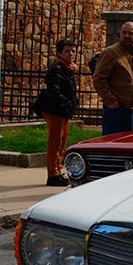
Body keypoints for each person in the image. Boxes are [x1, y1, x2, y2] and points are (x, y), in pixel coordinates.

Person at [93, 21, 133, 135]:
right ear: (119, 33)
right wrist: (109, 100)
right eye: (124, 33)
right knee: (112, 146)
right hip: (116, 109)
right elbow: (99, 78)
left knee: (130, 145)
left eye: (130, 33)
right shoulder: (111, 52)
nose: (127, 36)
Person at [39, 39, 79, 187]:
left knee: (61, 142)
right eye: (67, 51)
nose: (71, 54)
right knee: (55, 143)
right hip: (55, 111)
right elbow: (54, 91)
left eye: (73, 51)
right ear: (60, 53)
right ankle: (53, 174)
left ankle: (57, 170)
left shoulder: (68, 69)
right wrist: (67, 103)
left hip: (64, 111)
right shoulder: (57, 68)